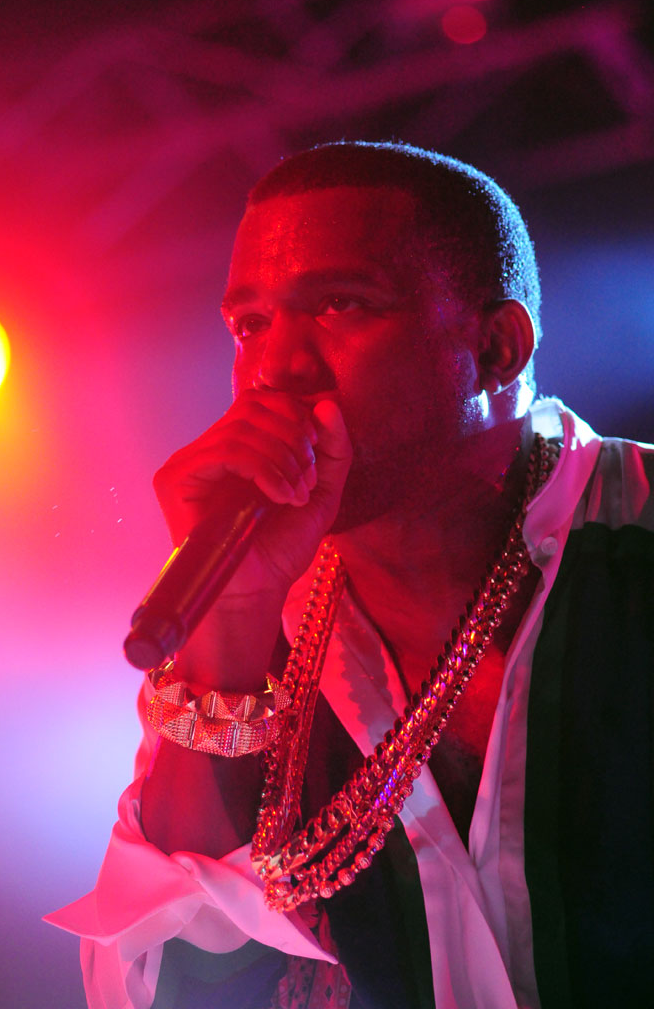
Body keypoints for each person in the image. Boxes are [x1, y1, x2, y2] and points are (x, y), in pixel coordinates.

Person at [46, 142, 654, 1009]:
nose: (276, 368)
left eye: (340, 305)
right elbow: (169, 979)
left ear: (495, 348)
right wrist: (230, 626)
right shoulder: (252, 627)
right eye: (250, 325)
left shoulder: (633, 532)